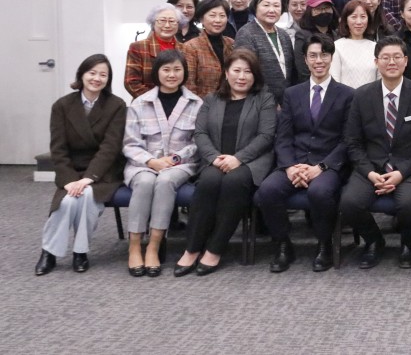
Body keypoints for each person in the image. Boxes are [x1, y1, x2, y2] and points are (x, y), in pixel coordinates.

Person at [255, 34, 355, 273]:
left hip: (327, 165)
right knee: (267, 191)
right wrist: (290, 166)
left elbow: (348, 140)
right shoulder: (292, 94)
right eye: (313, 56)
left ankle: (324, 245)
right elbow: (283, 137)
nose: (318, 61)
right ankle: (283, 244)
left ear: (331, 58)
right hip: (295, 163)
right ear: (305, 60)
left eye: (324, 55)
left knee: (320, 192)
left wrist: (321, 167)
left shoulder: (347, 94)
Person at [341, 36, 411, 269]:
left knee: (410, 204)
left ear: (406, 61)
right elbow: (353, 142)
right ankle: (374, 241)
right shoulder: (361, 95)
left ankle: (408, 244)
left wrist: (401, 173)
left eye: (397, 57)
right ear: (376, 62)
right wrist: (369, 173)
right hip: (372, 167)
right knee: (349, 203)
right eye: (385, 57)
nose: (391, 62)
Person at [174, 49, 276, 276]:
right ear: (226, 73)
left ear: (255, 75)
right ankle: (192, 248)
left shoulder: (265, 99)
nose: (242, 76)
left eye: (248, 72)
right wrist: (214, 158)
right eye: (236, 71)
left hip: (251, 162)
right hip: (216, 160)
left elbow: (266, 136)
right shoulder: (211, 99)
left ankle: (215, 248)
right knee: (208, 182)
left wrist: (238, 158)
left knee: (233, 183)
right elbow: (200, 133)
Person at [35, 55, 127, 276]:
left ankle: (80, 251)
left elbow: (110, 148)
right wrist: (69, 180)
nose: (97, 78)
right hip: (72, 170)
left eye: (103, 75)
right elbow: (58, 149)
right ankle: (49, 252)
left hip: (103, 171)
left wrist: (89, 178)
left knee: (86, 196)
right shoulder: (62, 105)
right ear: (81, 75)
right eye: (92, 73)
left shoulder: (116, 105)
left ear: (108, 79)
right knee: (67, 201)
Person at [122, 50, 203, 277]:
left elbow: (198, 142)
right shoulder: (139, 103)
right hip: (142, 164)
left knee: (166, 180)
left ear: (184, 72)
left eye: (177, 69)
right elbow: (130, 144)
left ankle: (154, 246)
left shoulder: (196, 104)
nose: (172, 74)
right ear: (156, 72)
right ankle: (134, 246)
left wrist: (175, 159)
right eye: (166, 69)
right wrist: (151, 161)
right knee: (145, 182)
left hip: (181, 164)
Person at [234, 0, 297, 107]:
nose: (271, 10)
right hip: (259, 104)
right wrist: (270, 102)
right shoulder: (246, 34)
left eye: (276, 5)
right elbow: (247, 73)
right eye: (266, 5)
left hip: (286, 103)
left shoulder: (284, 35)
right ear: (255, 7)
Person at [125, 2, 185, 99]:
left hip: (179, 102)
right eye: (162, 20)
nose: (167, 25)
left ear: (178, 24)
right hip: (146, 103)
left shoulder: (185, 49)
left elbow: (188, 81)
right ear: (153, 23)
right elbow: (131, 82)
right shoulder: (138, 47)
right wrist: (157, 100)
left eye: (172, 21)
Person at [183, 0, 234, 98]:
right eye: (212, 15)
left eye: (222, 16)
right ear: (201, 19)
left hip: (230, 101)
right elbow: (189, 84)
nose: (218, 20)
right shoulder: (191, 47)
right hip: (202, 103)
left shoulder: (232, 43)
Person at [332, 0, 379, 88]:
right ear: (346, 20)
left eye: (363, 17)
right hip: (345, 96)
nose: (359, 22)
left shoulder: (376, 47)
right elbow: (335, 81)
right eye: (354, 17)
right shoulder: (337, 46)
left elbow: (380, 81)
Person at [293, 0, 338, 80]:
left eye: (327, 8)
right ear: (310, 12)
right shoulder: (303, 35)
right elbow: (302, 70)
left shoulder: (337, 35)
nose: (324, 12)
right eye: (318, 9)